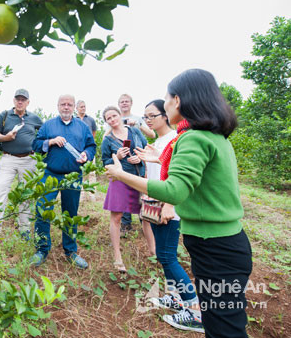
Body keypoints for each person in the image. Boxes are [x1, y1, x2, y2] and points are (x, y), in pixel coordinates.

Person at [106, 69, 252, 337]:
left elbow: (175, 191)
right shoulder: (214, 137)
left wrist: (121, 174)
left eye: (167, 99)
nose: (165, 103)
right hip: (226, 244)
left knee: (223, 329)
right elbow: (200, 178)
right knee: (223, 323)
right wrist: (159, 160)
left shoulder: (193, 138)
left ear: (179, 101)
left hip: (216, 249)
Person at [137, 99, 203, 333]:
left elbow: (175, 180)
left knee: (167, 256)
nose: (148, 120)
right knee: (164, 256)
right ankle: (174, 297)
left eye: (152, 115)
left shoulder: (175, 140)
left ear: (165, 115)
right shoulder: (157, 142)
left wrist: (169, 205)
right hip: (154, 202)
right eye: (145, 117)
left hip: (167, 206)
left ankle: (195, 312)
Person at [31, 95, 96, 269]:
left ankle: (70, 251)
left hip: (73, 176)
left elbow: (91, 146)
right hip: (50, 175)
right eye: (63, 104)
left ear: (74, 107)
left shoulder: (82, 127)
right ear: (58, 106)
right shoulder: (49, 125)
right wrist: (50, 141)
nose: (66, 107)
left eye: (69, 104)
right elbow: (36, 144)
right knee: (43, 210)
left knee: (70, 213)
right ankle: (42, 249)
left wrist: (86, 155)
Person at [100, 106, 155, 273]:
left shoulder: (135, 131)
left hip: (139, 177)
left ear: (119, 115)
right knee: (116, 217)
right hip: (120, 179)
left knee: (146, 216)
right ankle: (118, 257)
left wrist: (139, 157)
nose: (112, 119)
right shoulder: (107, 140)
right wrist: (117, 157)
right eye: (108, 118)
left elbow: (147, 149)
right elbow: (105, 163)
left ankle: (153, 251)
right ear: (106, 122)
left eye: (114, 115)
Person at [0, 89, 43, 244]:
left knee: (26, 194)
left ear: (28, 102)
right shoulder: (4, 115)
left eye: (23, 99)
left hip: (29, 160)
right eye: (18, 99)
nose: (20, 102)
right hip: (8, 158)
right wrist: (6, 137)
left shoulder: (34, 118)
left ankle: (24, 228)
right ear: (14, 100)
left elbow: (44, 132)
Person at [117, 94, 155, 236]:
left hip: (139, 160)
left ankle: (144, 222)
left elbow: (151, 134)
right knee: (125, 193)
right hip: (123, 162)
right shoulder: (115, 119)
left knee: (141, 192)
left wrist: (138, 125)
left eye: (127, 101)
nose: (124, 104)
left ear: (131, 103)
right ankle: (126, 225)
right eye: (122, 102)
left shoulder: (138, 119)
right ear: (119, 104)